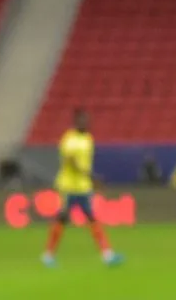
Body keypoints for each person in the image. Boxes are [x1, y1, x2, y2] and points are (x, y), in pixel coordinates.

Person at [41, 108, 123, 268]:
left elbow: (85, 162)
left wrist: (89, 178)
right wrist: (90, 175)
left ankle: (107, 255)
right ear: (76, 121)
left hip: (83, 187)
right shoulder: (69, 139)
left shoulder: (88, 138)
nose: (86, 123)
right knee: (62, 218)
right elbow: (70, 161)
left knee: (92, 218)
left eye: (87, 120)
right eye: (83, 120)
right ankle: (48, 255)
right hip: (68, 186)